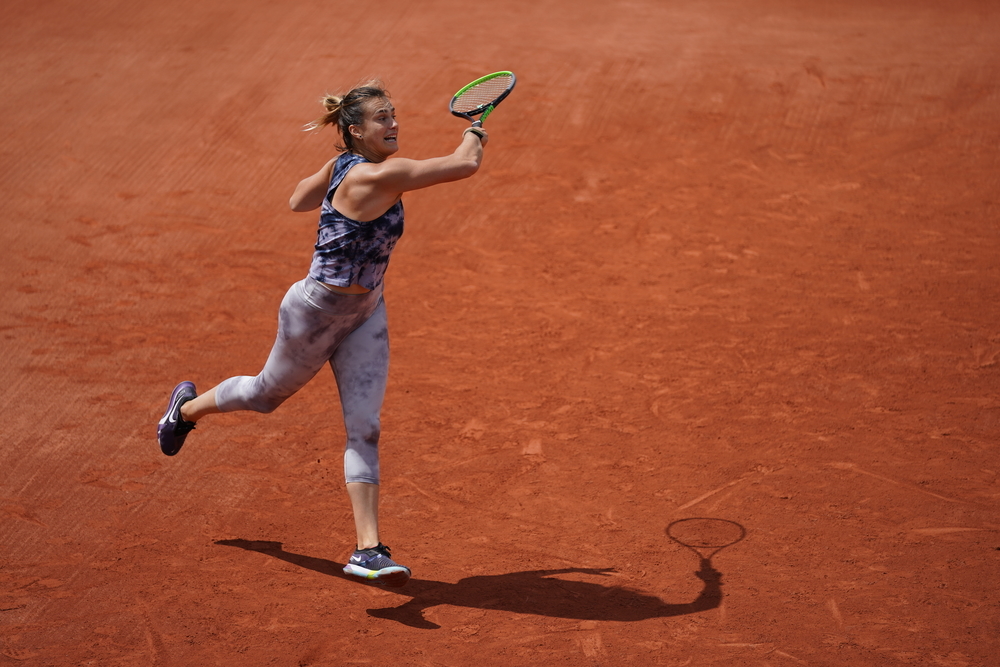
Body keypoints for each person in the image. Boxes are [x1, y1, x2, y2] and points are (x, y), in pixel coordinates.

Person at [156, 80, 488, 588]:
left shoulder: (348, 168)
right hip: (312, 314)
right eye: (382, 117)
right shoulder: (383, 175)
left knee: (365, 426)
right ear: (356, 129)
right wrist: (475, 132)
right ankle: (185, 410)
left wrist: (333, 169)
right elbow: (465, 165)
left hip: (366, 315)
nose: (394, 123)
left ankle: (368, 550)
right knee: (266, 395)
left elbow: (297, 200)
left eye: (394, 114)